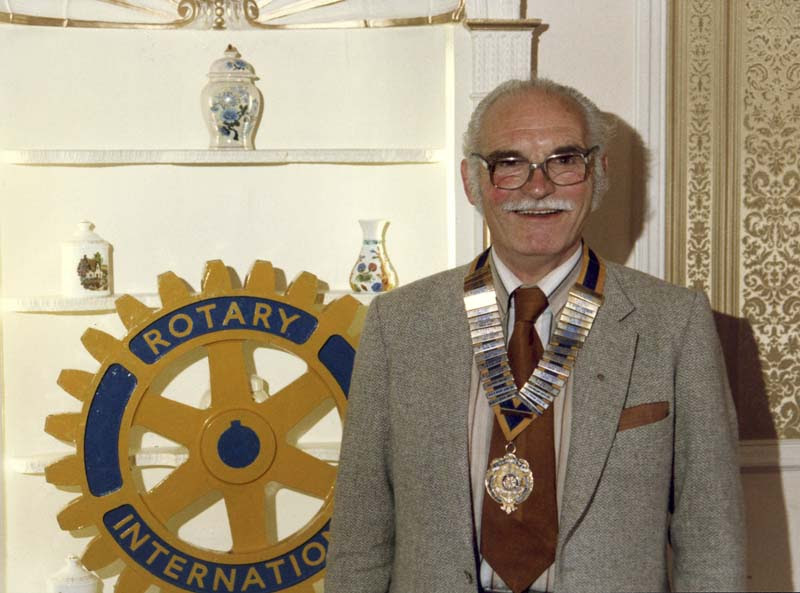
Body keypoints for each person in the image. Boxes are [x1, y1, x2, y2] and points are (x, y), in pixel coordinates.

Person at [325, 78, 745, 593]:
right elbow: (361, 534)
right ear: (471, 182)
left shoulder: (674, 323)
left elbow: (711, 540)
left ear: (599, 174)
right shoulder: (399, 324)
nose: (538, 186)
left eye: (564, 161)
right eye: (510, 163)